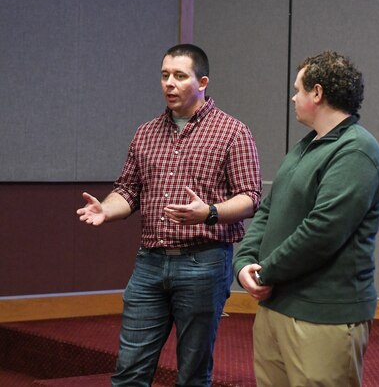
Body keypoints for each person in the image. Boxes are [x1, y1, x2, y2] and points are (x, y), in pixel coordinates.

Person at [76, 44, 262, 387]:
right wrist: (106, 209)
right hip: (150, 263)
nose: (169, 84)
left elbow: (251, 198)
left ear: (202, 81)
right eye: (164, 75)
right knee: (129, 370)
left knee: (192, 373)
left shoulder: (233, 132)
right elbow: (128, 191)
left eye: (179, 76)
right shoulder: (146, 133)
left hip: (203, 263)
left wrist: (209, 213)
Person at [233, 51, 379, 387]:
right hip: (277, 306)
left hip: (323, 317)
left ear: (317, 93)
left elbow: (323, 232)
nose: (293, 97)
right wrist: (245, 261)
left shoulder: (357, 151)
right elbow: (269, 210)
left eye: (298, 89)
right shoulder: (304, 147)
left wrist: (267, 271)